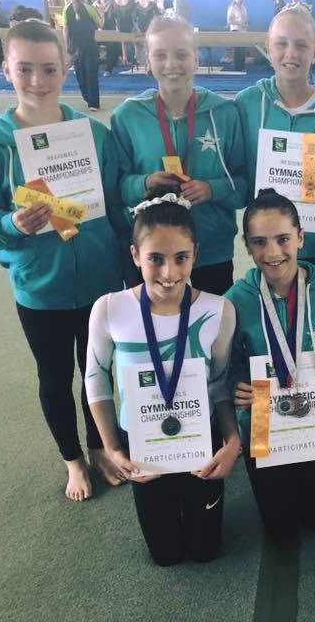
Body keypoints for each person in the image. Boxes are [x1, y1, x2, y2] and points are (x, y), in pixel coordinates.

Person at [0, 20, 127, 500]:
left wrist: (128, 265)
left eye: (49, 68)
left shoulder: (93, 135)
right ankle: (72, 459)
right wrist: (11, 224)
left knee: (100, 371)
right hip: (40, 288)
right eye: (25, 68)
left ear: (66, 69)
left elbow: (115, 206)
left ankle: (100, 447)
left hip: (100, 281)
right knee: (54, 376)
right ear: (6, 70)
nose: (37, 80)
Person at [86, 187, 241, 566]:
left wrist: (232, 441)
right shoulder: (110, 309)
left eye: (180, 258)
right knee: (165, 555)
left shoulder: (218, 310)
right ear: (135, 255)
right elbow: (96, 378)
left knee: (206, 551)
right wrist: (112, 449)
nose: (169, 273)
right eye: (155, 258)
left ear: (195, 254)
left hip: (201, 441)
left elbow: (219, 383)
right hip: (141, 444)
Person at [227, 190, 315, 541]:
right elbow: (226, 361)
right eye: (259, 242)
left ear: (301, 237)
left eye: (283, 239)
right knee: (279, 530)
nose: (272, 252)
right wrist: (236, 385)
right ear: (247, 245)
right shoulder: (235, 300)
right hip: (262, 426)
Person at [111, 16, 248, 295]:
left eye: (182, 54)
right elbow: (117, 189)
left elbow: (244, 186)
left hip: (211, 248)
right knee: (155, 323)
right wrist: (144, 183)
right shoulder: (127, 117)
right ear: (147, 60)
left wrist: (212, 189)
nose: (171, 64)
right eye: (160, 55)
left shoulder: (225, 113)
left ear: (196, 59)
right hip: (153, 253)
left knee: (211, 321)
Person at [234, 5, 315, 273]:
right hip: (265, 245)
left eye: (301, 45)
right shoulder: (246, 105)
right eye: (281, 44)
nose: (291, 53)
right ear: (268, 48)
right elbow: (238, 178)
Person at [62, 0, 101, 111]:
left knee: (80, 74)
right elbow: (99, 24)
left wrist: (67, 45)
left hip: (76, 46)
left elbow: (65, 29)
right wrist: (101, 14)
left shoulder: (66, 9)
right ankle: (93, 103)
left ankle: (88, 98)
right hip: (89, 45)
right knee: (91, 74)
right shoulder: (89, 8)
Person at [112, 0, 138, 69]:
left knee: (123, 42)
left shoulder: (113, 2)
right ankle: (137, 57)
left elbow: (112, 16)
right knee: (135, 41)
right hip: (131, 25)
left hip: (120, 26)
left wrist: (116, 26)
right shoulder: (131, 1)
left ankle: (124, 58)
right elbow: (135, 15)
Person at [96, 0, 119, 77]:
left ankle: (108, 70)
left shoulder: (112, 7)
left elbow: (115, 19)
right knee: (92, 48)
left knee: (113, 48)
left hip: (109, 33)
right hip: (97, 33)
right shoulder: (94, 7)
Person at [227, 0, 249, 72]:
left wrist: (245, 24)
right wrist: (239, 23)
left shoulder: (244, 8)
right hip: (235, 30)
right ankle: (237, 67)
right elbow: (229, 21)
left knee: (242, 49)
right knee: (237, 49)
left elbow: (246, 19)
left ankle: (242, 66)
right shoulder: (232, 8)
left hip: (243, 30)